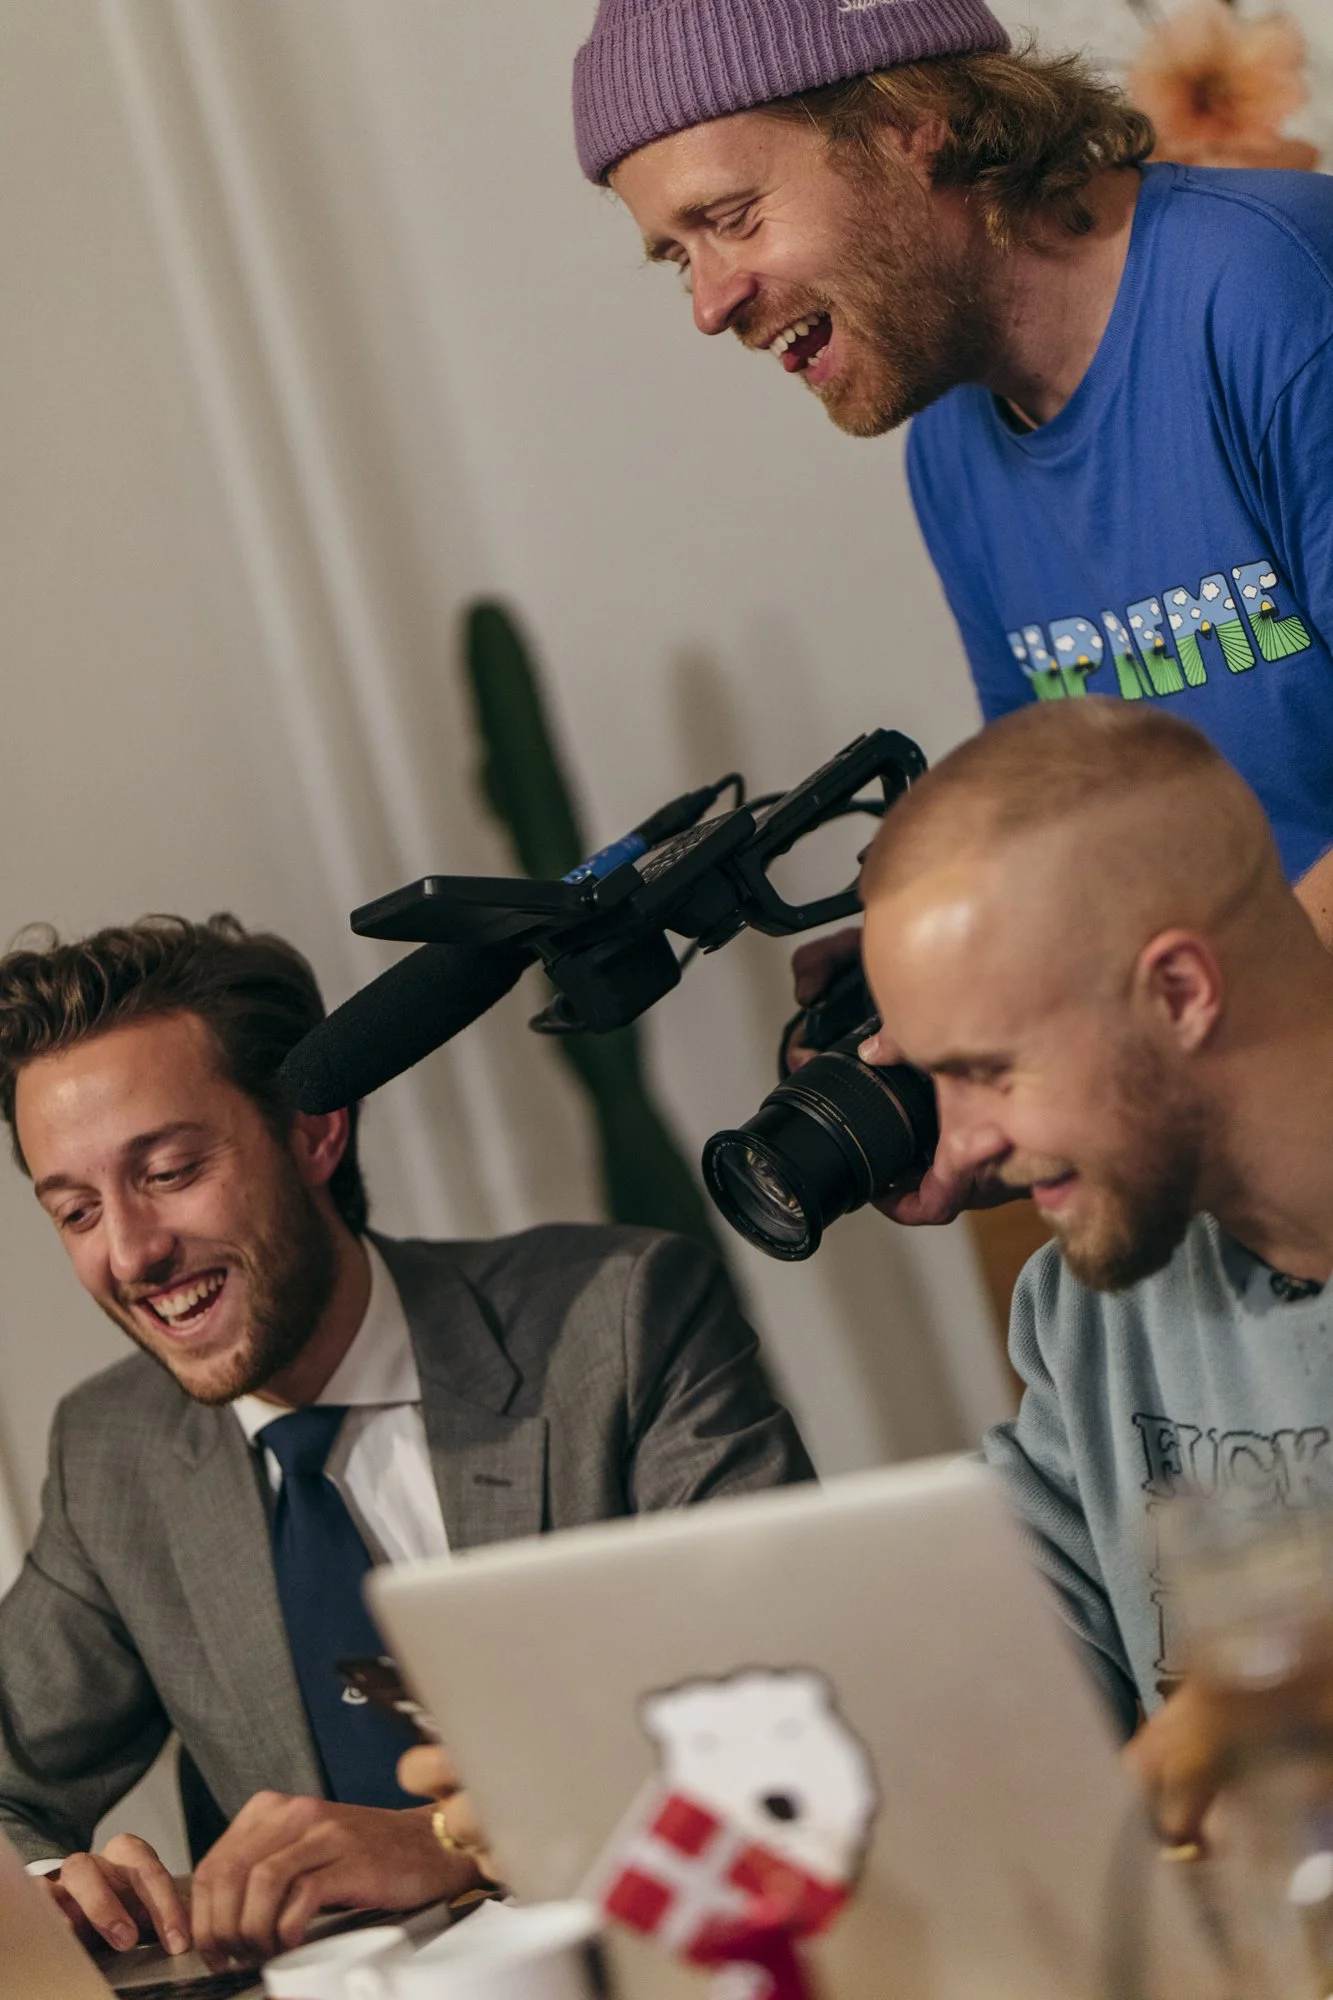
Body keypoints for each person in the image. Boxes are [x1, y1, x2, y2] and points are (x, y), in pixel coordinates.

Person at [572, 0, 1333, 1163]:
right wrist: (963, 1014)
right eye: (679, 255)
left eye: (730, 217)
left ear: (911, 122)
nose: (708, 304)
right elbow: (1081, 839)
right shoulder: (952, 452)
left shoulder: (1273, 290)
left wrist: (1107, 1065)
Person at [0, 914, 811, 1964]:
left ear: (314, 1132)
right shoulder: (112, 1448)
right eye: (75, 1211)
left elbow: (791, 1694)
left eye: (170, 1170)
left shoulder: (619, 1320)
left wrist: (457, 1841)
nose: (130, 1252)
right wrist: (50, 1888)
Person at [850, 697, 1333, 1841]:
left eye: (987, 1069)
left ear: (1179, 991)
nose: (958, 1146)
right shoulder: (1089, 1304)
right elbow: (979, 1662)